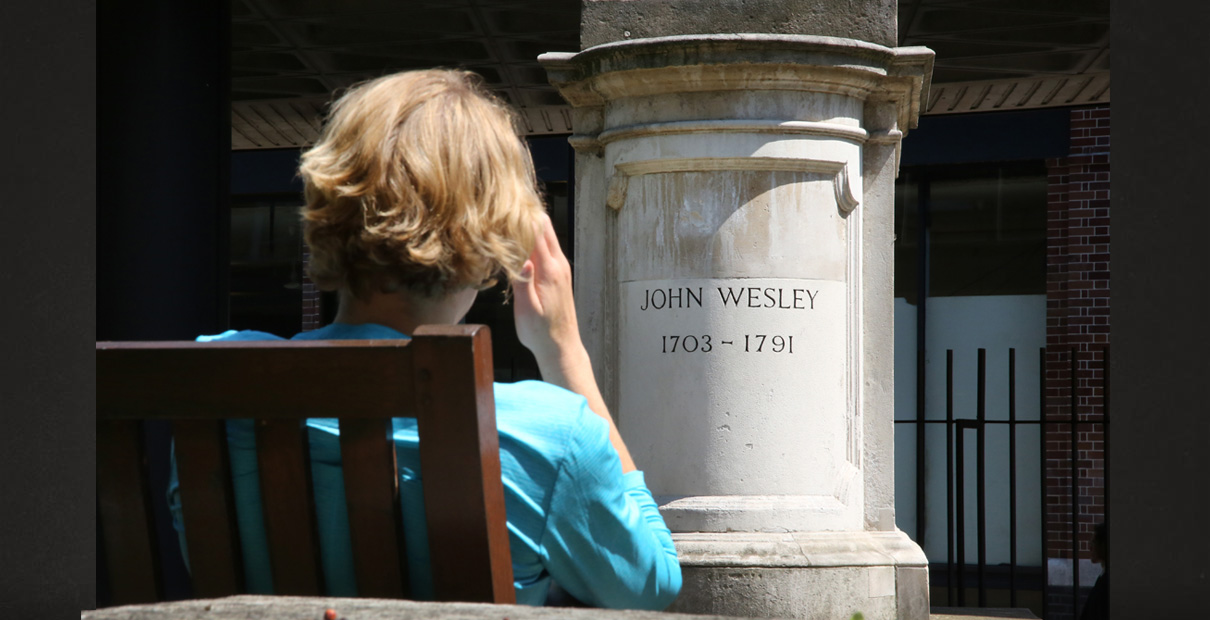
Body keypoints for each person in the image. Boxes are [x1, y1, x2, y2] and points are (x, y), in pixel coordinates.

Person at [166, 69, 681, 610]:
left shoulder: (216, 383)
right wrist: (564, 351)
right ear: (494, 237)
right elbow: (651, 587)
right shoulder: (548, 436)